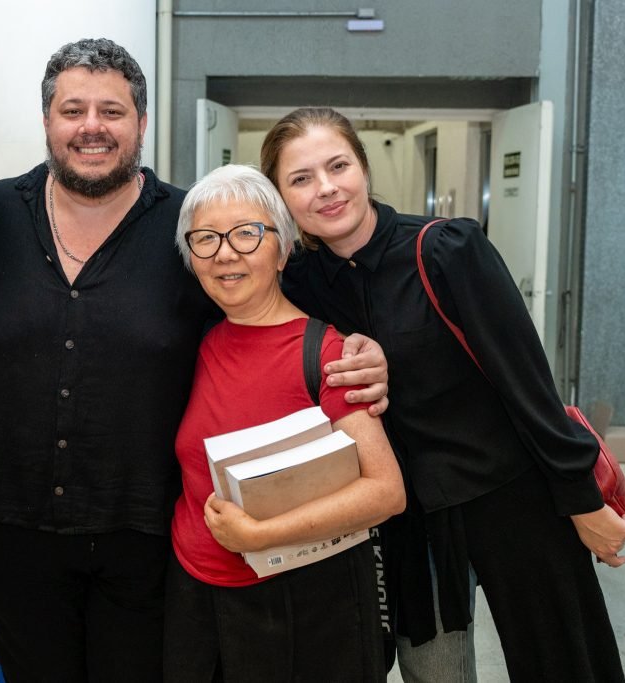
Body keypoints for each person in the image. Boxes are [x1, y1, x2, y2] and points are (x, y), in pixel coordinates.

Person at [0, 39, 389, 682]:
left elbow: (273, 302)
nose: (92, 127)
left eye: (113, 111)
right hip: (13, 535)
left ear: (142, 124)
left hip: (148, 543)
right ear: (47, 121)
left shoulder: (190, 231)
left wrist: (368, 346)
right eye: (73, 110)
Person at [262, 107, 625, 682]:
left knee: (566, 664)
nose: (326, 189)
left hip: (511, 497)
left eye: (338, 165)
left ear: (363, 167)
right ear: (282, 197)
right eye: (301, 178)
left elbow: (527, 381)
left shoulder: (445, 249)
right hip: (409, 521)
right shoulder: (300, 283)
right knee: (435, 673)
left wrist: (581, 498)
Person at [164, 164, 405, 682]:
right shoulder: (198, 344)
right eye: (205, 239)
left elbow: (386, 492)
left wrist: (261, 534)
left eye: (248, 234)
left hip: (303, 605)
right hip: (195, 600)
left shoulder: (330, 354)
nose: (226, 253)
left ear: (284, 249)